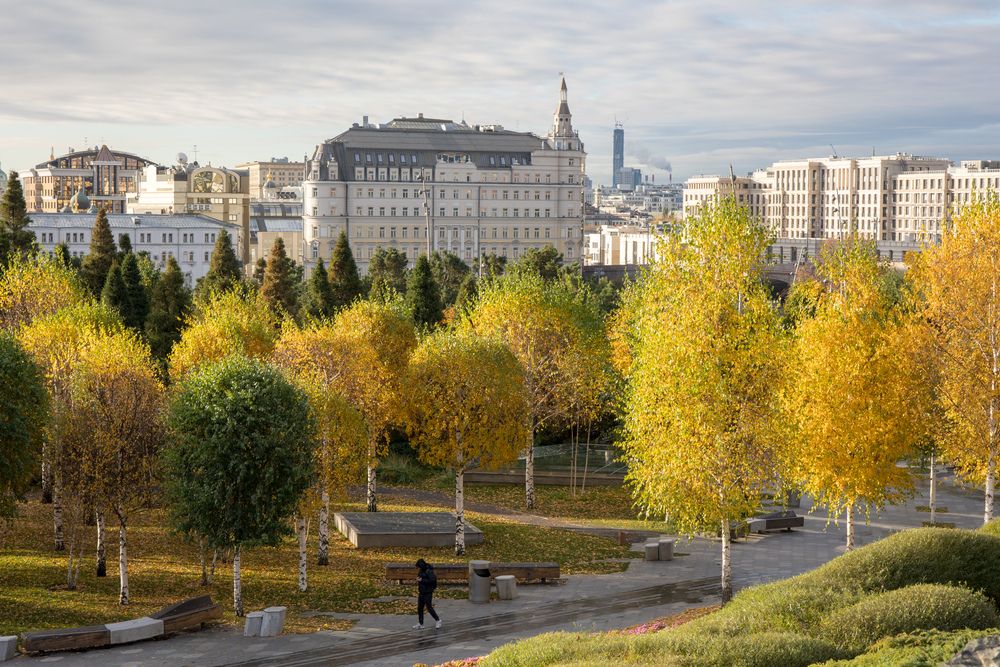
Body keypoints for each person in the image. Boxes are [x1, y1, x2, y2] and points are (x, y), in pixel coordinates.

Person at [413, 558, 442, 629]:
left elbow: (432, 580)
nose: (418, 568)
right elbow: (420, 577)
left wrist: (422, 580)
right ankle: (421, 623)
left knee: (429, 608)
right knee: (420, 608)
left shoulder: (429, 571)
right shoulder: (421, 570)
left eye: (419, 567)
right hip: (421, 592)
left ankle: (438, 620)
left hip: (428, 592)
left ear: (422, 566)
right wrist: (418, 579)